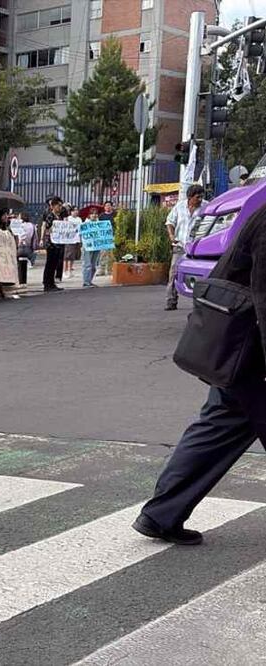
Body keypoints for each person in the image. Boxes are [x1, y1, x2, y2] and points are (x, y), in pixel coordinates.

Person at [133, 206, 266, 546]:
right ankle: (160, 513)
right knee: (220, 422)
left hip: (241, 347)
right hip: (247, 346)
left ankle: (161, 514)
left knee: (220, 423)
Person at [165, 184, 207, 311]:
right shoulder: (180, 206)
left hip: (198, 247)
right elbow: (170, 222)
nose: (199, 200)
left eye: (201, 197)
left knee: (198, 276)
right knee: (174, 273)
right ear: (190, 197)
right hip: (180, 245)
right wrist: (172, 235)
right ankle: (171, 301)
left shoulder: (206, 206)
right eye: (197, 197)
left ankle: (199, 303)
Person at [40, 195, 66, 292]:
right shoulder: (50, 216)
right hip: (51, 243)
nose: (60, 207)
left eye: (61, 205)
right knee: (50, 263)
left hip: (58, 243)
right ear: (53, 206)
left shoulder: (59, 217)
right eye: (58, 205)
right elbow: (47, 229)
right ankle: (47, 283)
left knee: (55, 263)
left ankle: (52, 283)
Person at [80, 209, 103, 288]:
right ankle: (86, 282)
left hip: (96, 246)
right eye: (92, 214)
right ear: (89, 215)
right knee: (87, 264)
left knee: (93, 265)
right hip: (88, 246)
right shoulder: (85, 224)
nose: (94, 215)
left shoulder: (99, 224)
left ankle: (90, 281)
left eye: (96, 213)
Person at [62, 205, 82, 279]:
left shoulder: (79, 219)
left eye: (77, 210)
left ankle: (70, 270)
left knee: (73, 256)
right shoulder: (68, 219)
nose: (76, 212)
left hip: (76, 239)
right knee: (67, 256)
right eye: (74, 210)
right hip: (69, 239)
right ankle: (64, 271)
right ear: (71, 212)